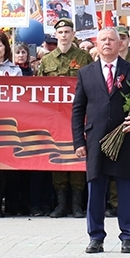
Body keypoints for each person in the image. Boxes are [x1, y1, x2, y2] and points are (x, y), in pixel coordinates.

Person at [71, 27, 130, 254]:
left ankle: (128, 236)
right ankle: (96, 237)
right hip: (95, 139)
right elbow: (78, 110)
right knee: (96, 189)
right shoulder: (86, 73)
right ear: (97, 44)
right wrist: (79, 141)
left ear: (120, 44)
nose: (107, 43)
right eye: (102, 40)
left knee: (126, 189)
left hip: (125, 137)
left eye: (111, 40)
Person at [37, 18, 94, 218]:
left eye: (67, 32)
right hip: (54, 117)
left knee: (77, 156)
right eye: (60, 32)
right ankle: (61, 204)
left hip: (78, 114)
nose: (64, 35)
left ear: (73, 34)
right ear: (56, 35)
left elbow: (91, 83)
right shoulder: (47, 60)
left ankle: (77, 205)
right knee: (58, 155)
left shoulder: (84, 57)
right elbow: (39, 89)